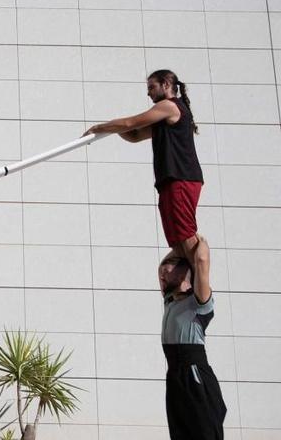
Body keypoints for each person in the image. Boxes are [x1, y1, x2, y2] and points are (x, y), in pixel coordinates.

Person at [84, 69, 207, 283]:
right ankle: (187, 287)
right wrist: (113, 130)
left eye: (152, 87)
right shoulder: (165, 118)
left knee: (186, 237)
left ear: (167, 84)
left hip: (180, 178)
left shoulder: (170, 107)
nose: (149, 93)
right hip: (170, 181)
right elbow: (134, 135)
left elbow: (131, 123)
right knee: (177, 241)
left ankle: (202, 292)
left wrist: (100, 127)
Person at [159, 236, 225, 439]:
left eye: (170, 267)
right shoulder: (170, 299)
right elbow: (161, 267)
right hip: (175, 375)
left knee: (203, 433)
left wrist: (192, 235)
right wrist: (178, 243)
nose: (163, 272)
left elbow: (202, 259)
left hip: (193, 372)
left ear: (186, 273)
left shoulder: (199, 301)